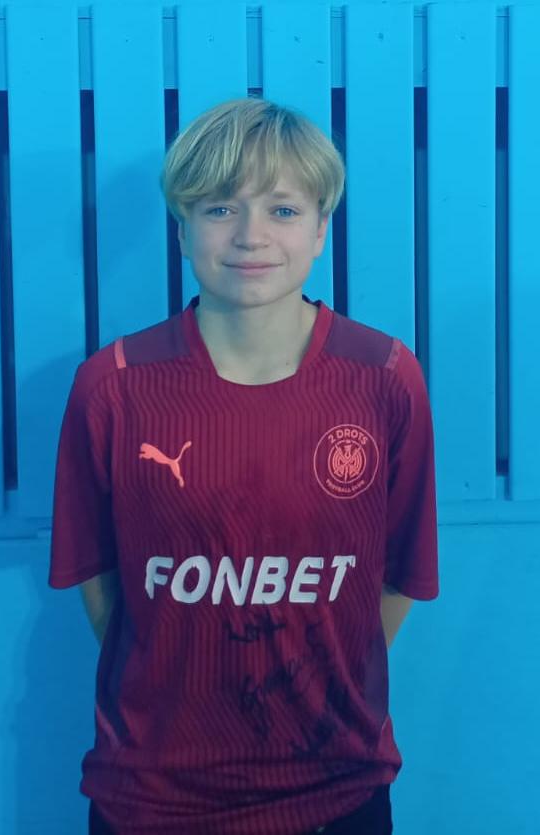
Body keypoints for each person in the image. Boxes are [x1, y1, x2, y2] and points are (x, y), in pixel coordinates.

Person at [49, 97, 439, 835]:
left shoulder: (386, 377)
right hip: (151, 795)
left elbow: (394, 581)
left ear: (321, 228)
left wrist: (303, 683)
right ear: (182, 228)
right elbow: (103, 586)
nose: (251, 235)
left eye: (283, 210)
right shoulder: (112, 385)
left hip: (335, 787)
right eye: (221, 208)